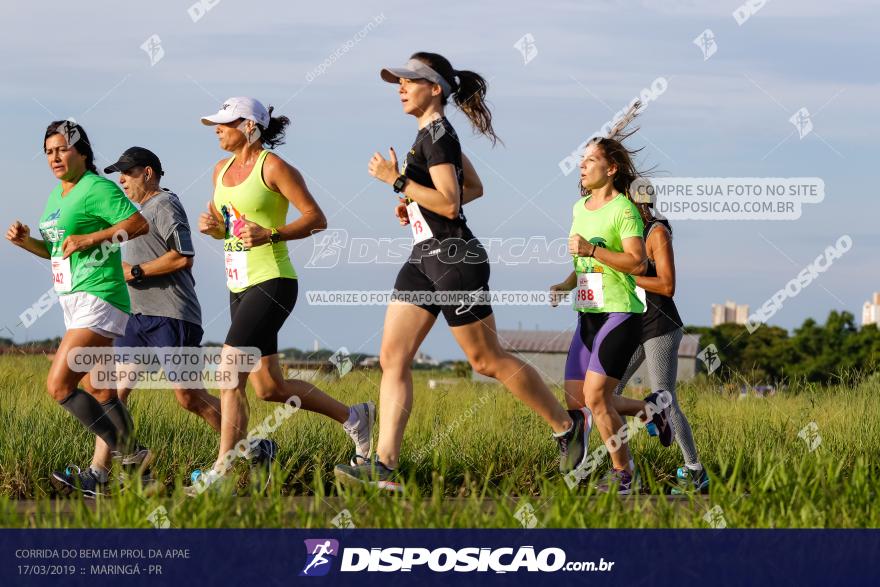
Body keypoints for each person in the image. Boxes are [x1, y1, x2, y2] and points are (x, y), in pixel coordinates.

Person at [333, 53, 590, 493]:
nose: (400, 86)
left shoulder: (438, 136)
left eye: (409, 80)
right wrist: (413, 202)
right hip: (423, 258)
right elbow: (473, 188)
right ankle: (385, 467)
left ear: (434, 88)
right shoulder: (430, 138)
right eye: (398, 80)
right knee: (392, 358)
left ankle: (566, 428)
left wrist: (396, 181)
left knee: (486, 360)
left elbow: (452, 204)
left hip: (455, 260)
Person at [195, 97, 374, 492]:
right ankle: (355, 417)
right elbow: (230, 227)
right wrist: (214, 229)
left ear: (250, 127)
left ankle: (222, 473)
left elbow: (316, 218)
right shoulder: (219, 171)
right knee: (270, 388)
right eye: (216, 123)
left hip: (273, 281)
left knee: (228, 374)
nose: (217, 129)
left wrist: (271, 233)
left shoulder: (272, 166)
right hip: (238, 284)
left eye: (225, 122)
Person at [52, 146, 224, 496]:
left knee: (188, 398)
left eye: (128, 174)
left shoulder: (165, 204)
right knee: (110, 394)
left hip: (171, 314)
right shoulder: (128, 215)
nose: (122, 180)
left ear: (148, 173)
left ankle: (249, 447)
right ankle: (99, 474)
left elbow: (183, 258)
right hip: (135, 317)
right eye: (119, 174)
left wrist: (137, 271)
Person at [6, 120, 151, 497]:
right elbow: (60, 250)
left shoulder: (96, 188)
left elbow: (137, 224)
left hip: (99, 296)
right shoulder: (57, 195)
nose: (54, 157)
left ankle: (133, 455)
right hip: (73, 299)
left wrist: (93, 237)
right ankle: (141, 478)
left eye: (62, 149)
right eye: (49, 151)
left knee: (58, 385)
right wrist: (27, 244)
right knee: (100, 390)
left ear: (82, 153)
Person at [549, 127, 672, 495]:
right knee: (577, 403)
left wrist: (592, 251)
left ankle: (624, 474)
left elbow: (636, 263)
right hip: (587, 313)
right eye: (581, 159)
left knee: (597, 398)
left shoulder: (625, 210)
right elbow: (583, 260)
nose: (581, 166)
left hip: (620, 313)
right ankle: (650, 412)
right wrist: (566, 284)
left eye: (590, 160)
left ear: (612, 168)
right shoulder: (578, 208)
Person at [613, 185, 707, 493]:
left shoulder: (656, 233)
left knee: (664, 396)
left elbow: (667, 285)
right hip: (635, 325)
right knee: (607, 393)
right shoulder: (629, 235)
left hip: (660, 325)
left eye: (624, 200)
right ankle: (625, 472)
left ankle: (695, 472)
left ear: (638, 203)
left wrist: (625, 277)